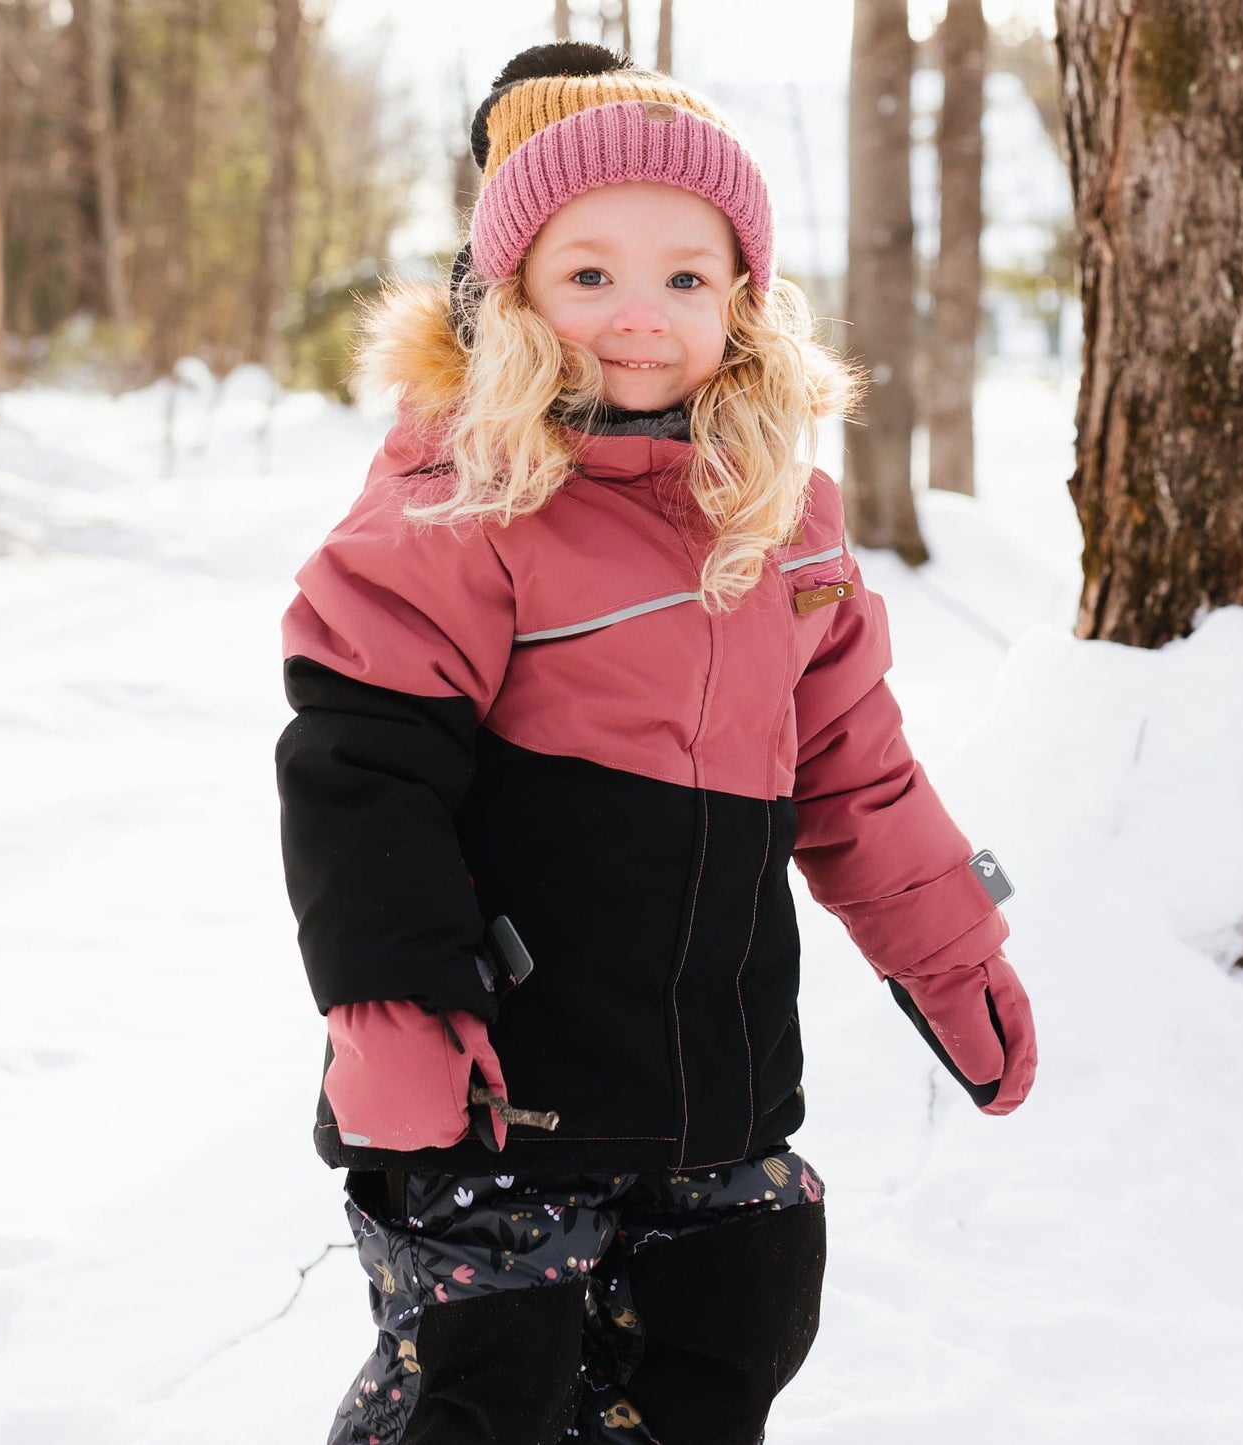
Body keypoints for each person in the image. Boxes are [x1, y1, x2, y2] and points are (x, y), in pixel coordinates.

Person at [276, 40, 1037, 1445]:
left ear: (746, 301)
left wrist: (948, 949)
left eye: (685, 276)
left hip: (713, 1077)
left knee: (742, 1307)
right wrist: (394, 1010)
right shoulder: (459, 509)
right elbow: (358, 772)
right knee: (493, 1377)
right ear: (507, 296)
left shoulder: (784, 517)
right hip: (499, 1093)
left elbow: (855, 769)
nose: (640, 316)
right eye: (589, 277)